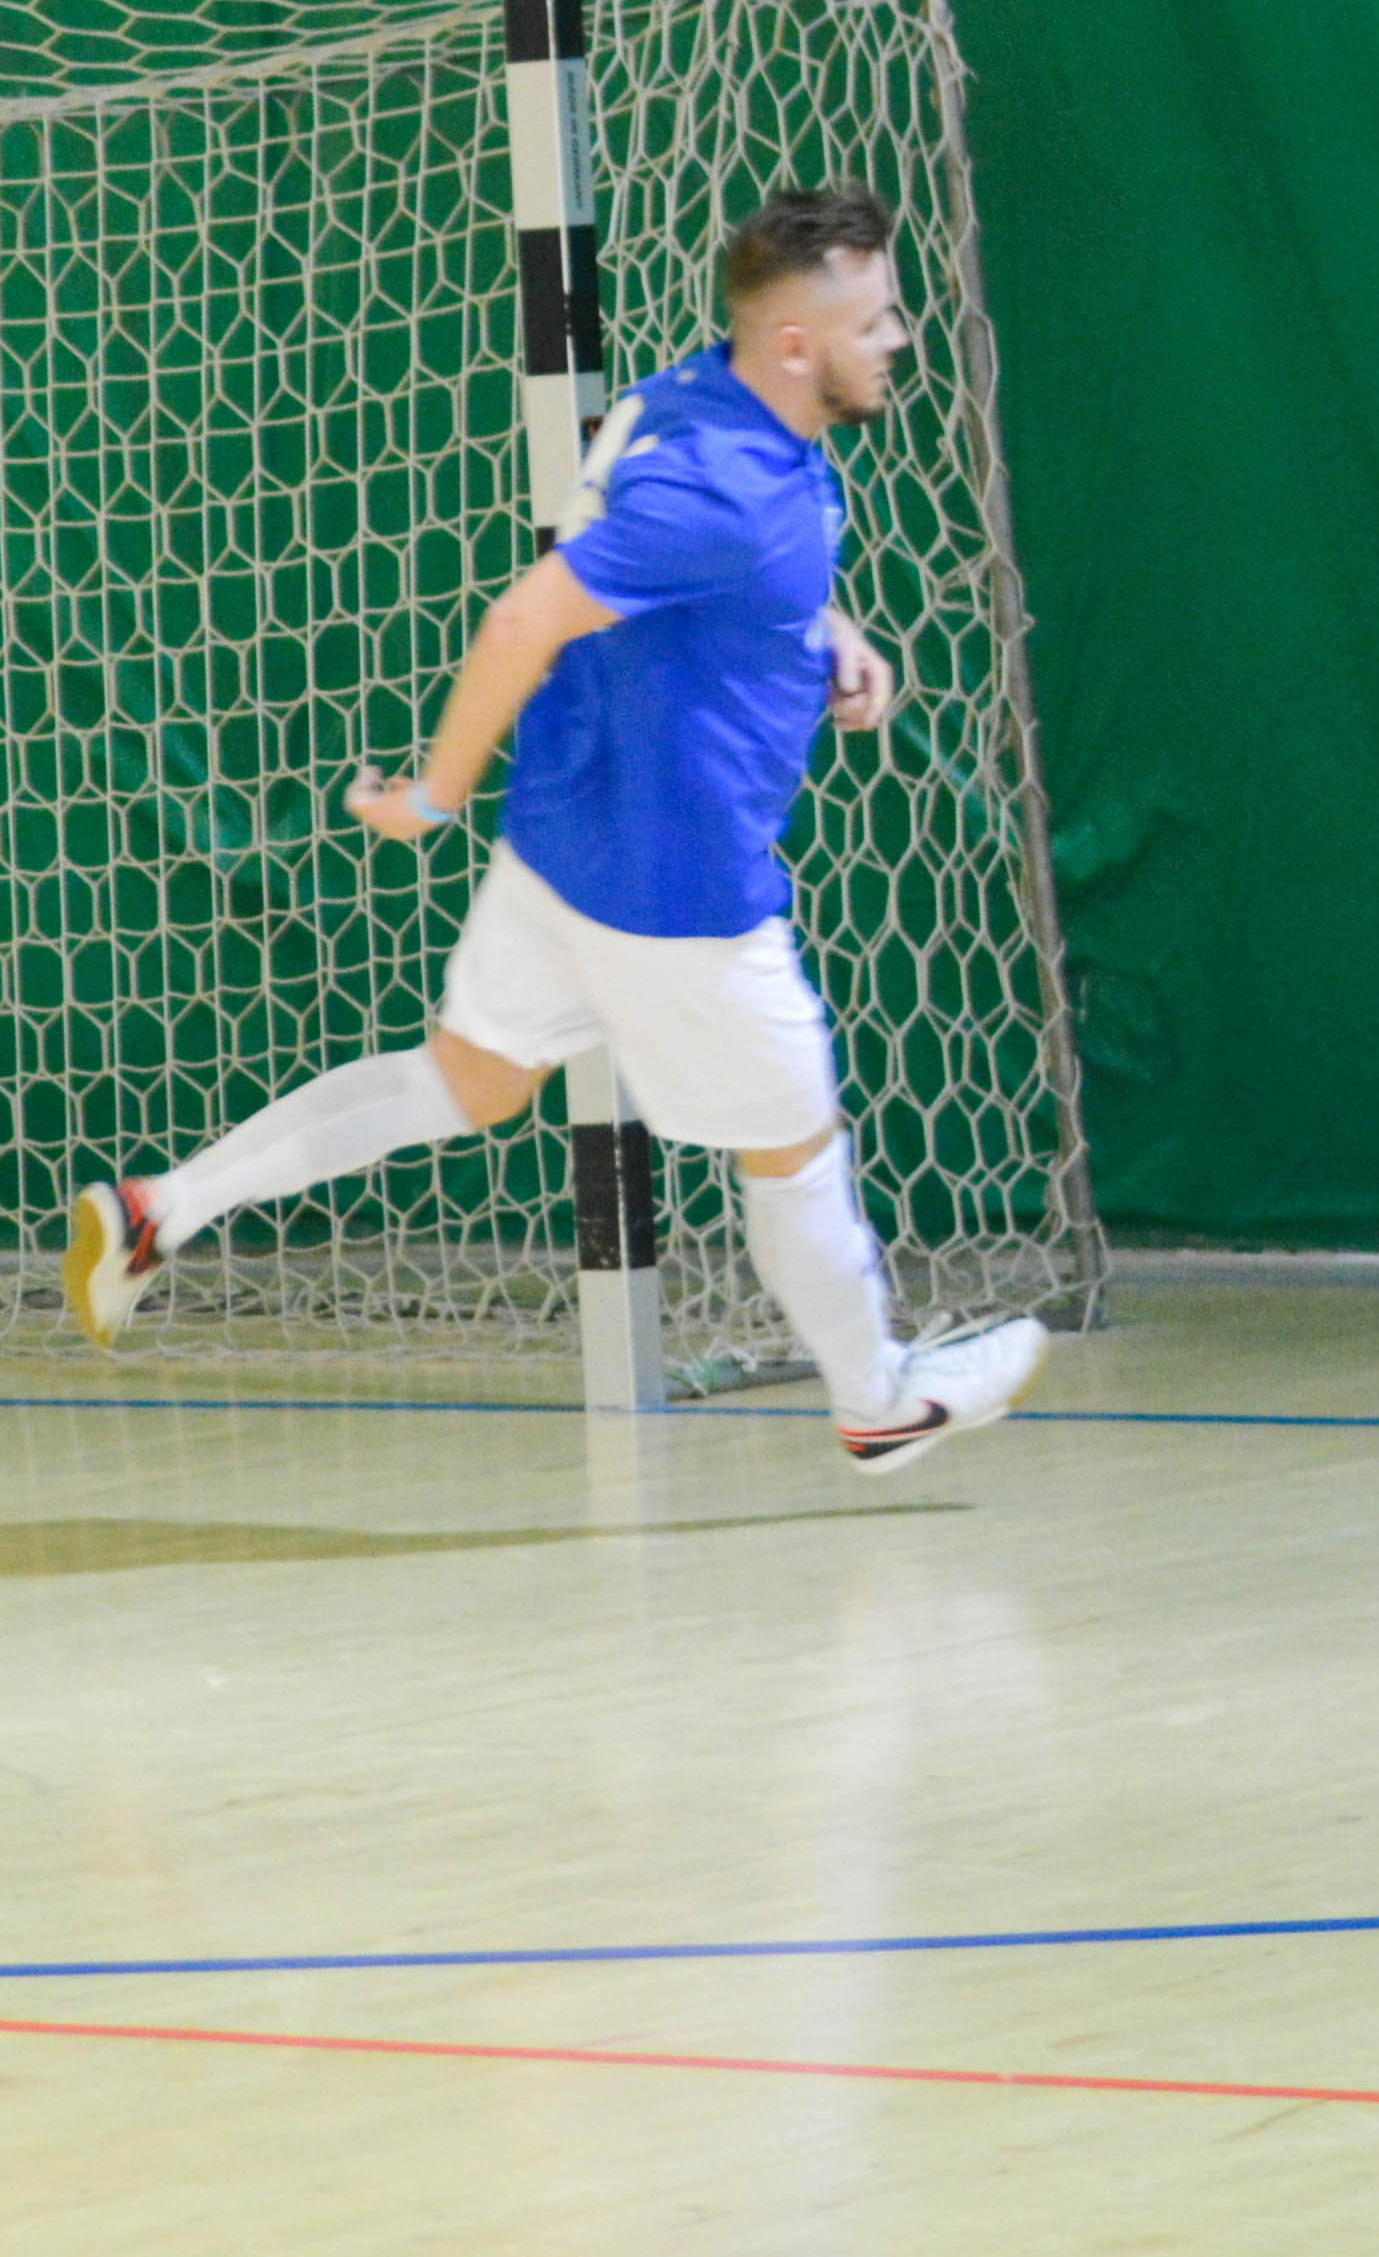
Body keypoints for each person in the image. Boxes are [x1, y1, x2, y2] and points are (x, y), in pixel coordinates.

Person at [61, 184, 1047, 1467]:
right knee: (794, 1147)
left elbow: (690, 584)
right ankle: (877, 1402)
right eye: (875, 322)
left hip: (561, 846)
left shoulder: (685, 398)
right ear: (794, 342)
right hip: (676, 893)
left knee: (463, 1082)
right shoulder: (727, 492)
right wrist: (428, 795)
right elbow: (523, 618)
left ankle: (160, 1208)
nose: (898, 338)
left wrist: (823, 633)